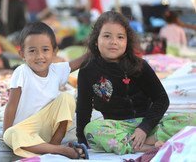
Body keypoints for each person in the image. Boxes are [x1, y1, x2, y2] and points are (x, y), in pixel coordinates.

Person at [76, 11, 196, 155]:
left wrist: (144, 128)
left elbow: (162, 99)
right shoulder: (87, 70)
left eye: (120, 37)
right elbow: (83, 109)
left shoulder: (139, 66)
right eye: (107, 36)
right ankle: (149, 146)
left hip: (149, 124)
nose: (114, 42)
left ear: (127, 41)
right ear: (96, 40)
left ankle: (140, 143)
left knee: (191, 119)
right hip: (117, 127)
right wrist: (82, 141)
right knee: (91, 129)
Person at [0, 22, 89, 159]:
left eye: (45, 50)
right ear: (22, 54)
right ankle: (58, 150)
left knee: (67, 98)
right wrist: (5, 135)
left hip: (48, 131)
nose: (39, 56)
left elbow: (79, 62)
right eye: (32, 51)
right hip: (26, 130)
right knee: (10, 134)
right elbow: (11, 105)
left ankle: (54, 145)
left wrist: (96, 48)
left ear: (54, 51)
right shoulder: (22, 72)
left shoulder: (56, 70)